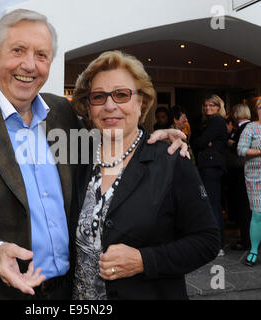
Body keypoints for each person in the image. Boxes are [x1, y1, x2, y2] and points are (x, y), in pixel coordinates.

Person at [0, 9, 187, 300]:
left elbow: (111, 138)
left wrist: (155, 139)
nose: (29, 65)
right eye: (18, 50)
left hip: (63, 292)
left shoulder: (61, 113)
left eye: (41, 55)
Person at [69, 50, 220, 300]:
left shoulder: (171, 160)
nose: (109, 106)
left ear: (141, 102)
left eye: (121, 94)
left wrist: (144, 260)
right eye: (99, 97)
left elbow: (207, 241)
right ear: (89, 107)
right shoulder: (79, 159)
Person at [192, 94, 228, 257]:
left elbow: (198, 142)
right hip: (210, 166)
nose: (208, 108)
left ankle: (218, 244)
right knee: (212, 204)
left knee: (213, 205)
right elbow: (199, 142)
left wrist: (204, 142)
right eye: (206, 105)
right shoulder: (209, 122)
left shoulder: (217, 121)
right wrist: (204, 142)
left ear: (219, 107)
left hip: (212, 166)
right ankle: (216, 243)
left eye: (212, 105)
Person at [237, 98, 261, 267]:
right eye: (260, 108)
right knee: (258, 214)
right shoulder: (251, 127)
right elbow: (241, 149)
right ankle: (253, 250)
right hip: (255, 177)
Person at [227, 104, 252, 251]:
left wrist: (232, 143)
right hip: (249, 172)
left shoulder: (244, 129)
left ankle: (246, 241)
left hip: (242, 172)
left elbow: (241, 149)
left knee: (244, 209)